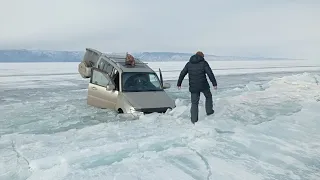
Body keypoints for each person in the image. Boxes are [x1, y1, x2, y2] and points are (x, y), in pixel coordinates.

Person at [177, 51, 217, 124]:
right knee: (208, 96)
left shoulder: (189, 64)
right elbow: (210, 73)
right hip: (203, 85)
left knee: (194, 103)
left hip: (193, 86)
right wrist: (214, 83)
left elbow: (182, 73)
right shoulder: (204, 63)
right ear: (202, 57)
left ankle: (194, 120)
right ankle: (209, 111)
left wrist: (179, 83)